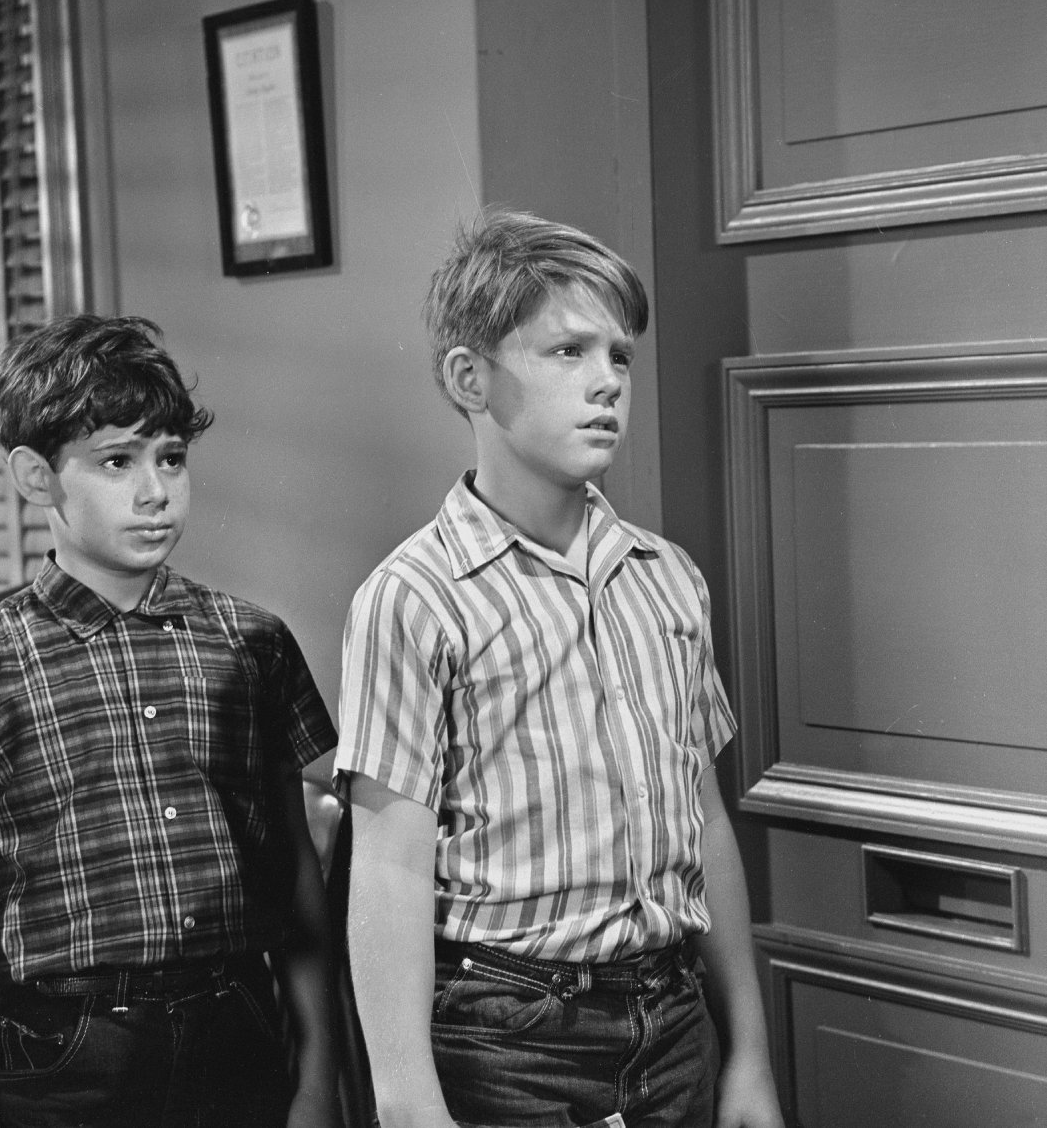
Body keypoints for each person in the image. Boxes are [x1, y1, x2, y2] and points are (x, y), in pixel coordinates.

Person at [335, 211, 784, 1128]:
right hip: (510, 1038)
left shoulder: (666, 577)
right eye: (566, 352)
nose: (606, 382)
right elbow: (387, 867)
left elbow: (704, 819)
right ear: (470, 379)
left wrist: (748, 1054)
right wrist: (407, 1101)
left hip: (673, 1024)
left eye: (618, 356)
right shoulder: (415, 597)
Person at [0, 315, 343, 1128]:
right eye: (117, 461)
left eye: (172, 458)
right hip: (65, 1057)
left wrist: (316, 1081)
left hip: (238, 1032)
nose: (155, 491)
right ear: (35, 476)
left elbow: (294, 874)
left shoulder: (251, 644)